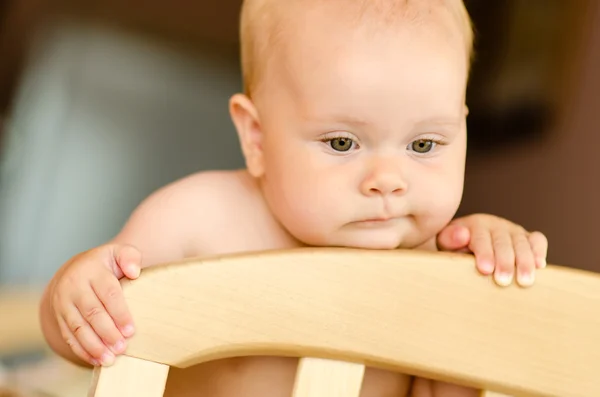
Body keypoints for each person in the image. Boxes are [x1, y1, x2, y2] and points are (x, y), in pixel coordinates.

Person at [39, 0, 548, 395]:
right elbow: (85, 339)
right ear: (256, 138)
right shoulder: (200, 219)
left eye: (423, 144)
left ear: (461, 129)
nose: (388, 181)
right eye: (343, 143)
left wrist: (493, 280)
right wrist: (78, 292)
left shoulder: (446, 261)